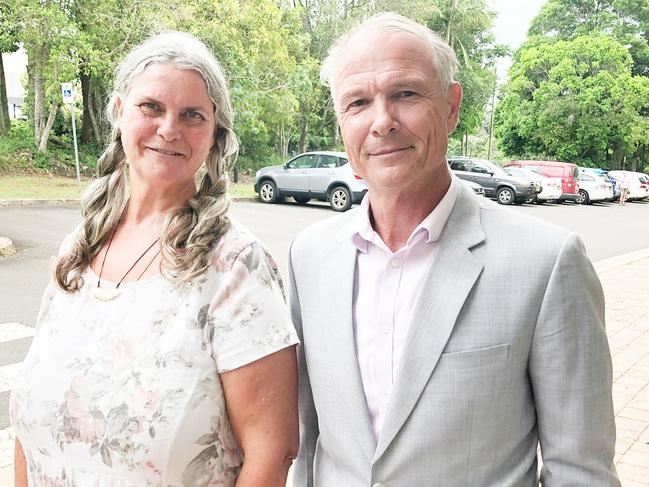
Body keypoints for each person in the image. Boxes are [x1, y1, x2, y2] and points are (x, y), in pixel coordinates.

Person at [288, 12, 619, 487]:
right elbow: (307, 443)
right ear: (341, 122)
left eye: (406, 94)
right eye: (358, 102)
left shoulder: (547, 262)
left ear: (451, 107)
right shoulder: (309, 256)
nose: (382, 122)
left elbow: (581, 472)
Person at [10, 31, 299, 487]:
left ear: (214, 133)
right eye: (152, 107)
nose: (170, 129)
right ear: (120, 111)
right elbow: (29, 427)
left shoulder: (234, 267)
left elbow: (272, 450)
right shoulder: (78, 250)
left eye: (192, 115)